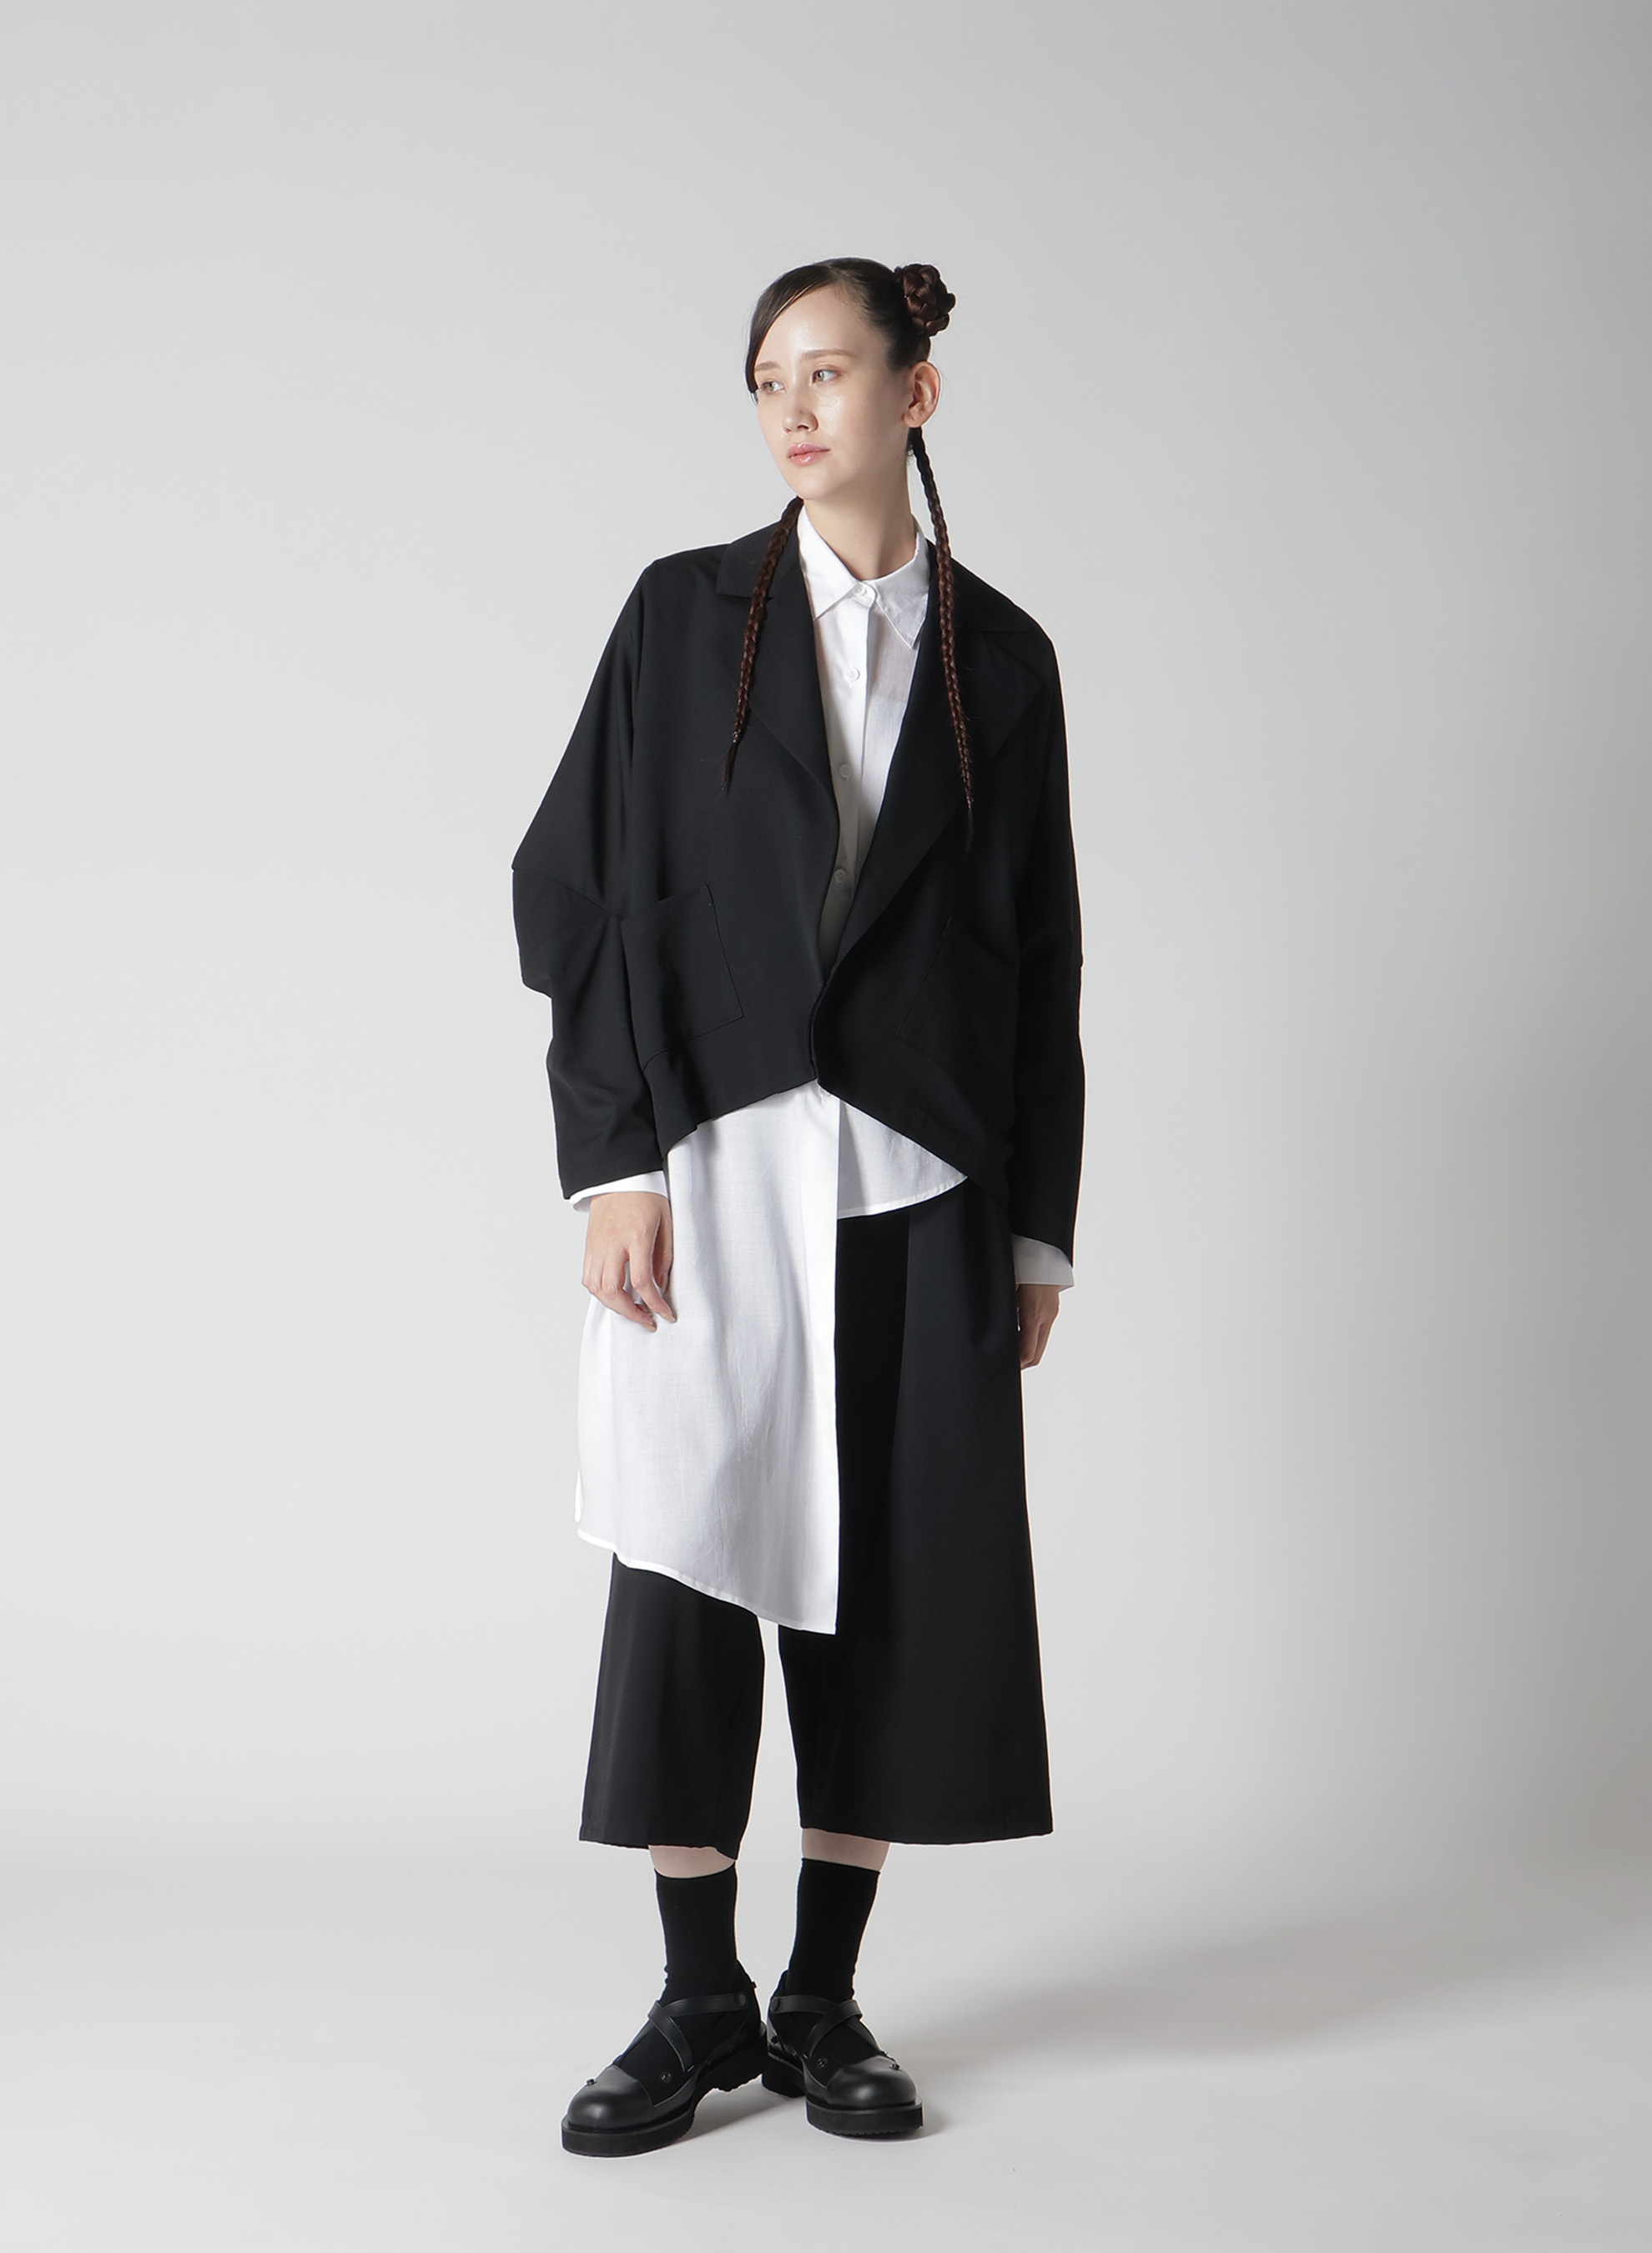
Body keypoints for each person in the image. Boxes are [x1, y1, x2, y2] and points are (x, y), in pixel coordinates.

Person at [511, 257, 1084, 2157]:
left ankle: (822, 1998)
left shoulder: (1004, 659)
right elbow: (580, 888)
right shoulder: (682, 618)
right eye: (768, 379)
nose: (793, 408)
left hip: (923, 1179)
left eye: (828, 371)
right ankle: (698, 1999)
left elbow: (1042, 959)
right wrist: (615, 1160)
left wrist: (1035, 1227)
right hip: (714, 1169)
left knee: (889, 1589)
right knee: (686, 1569)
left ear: (916, 393)